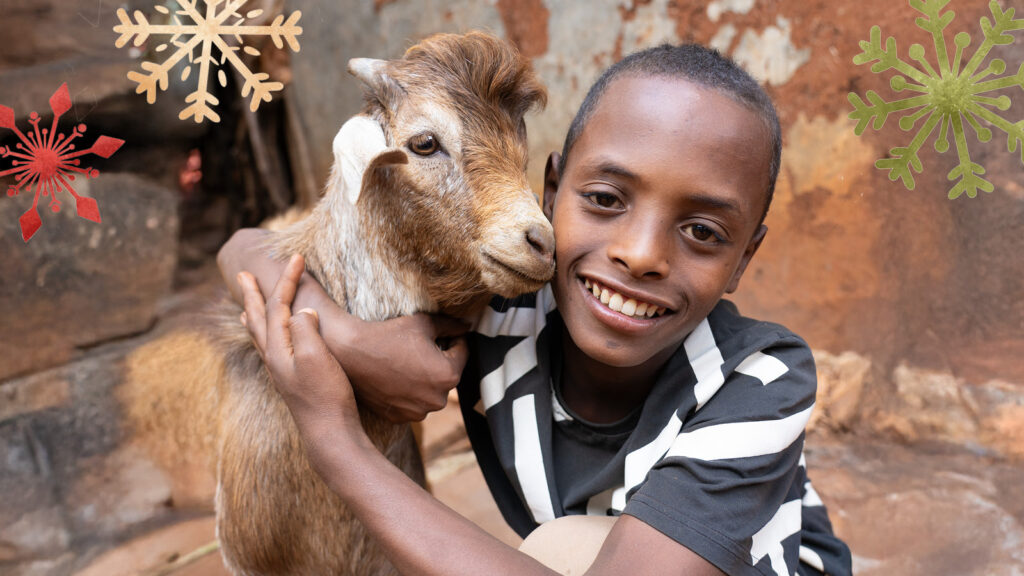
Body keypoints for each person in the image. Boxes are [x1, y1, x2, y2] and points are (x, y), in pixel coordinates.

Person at [219, 43, 853, 576]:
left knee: (557, 548)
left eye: (703, 232)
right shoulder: (509, 310)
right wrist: (346, 338)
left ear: (744, 259)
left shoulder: (762, 380)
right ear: (549, 194)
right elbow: (240, 250)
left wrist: (337, 444)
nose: (639, 256)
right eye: (605, 199)